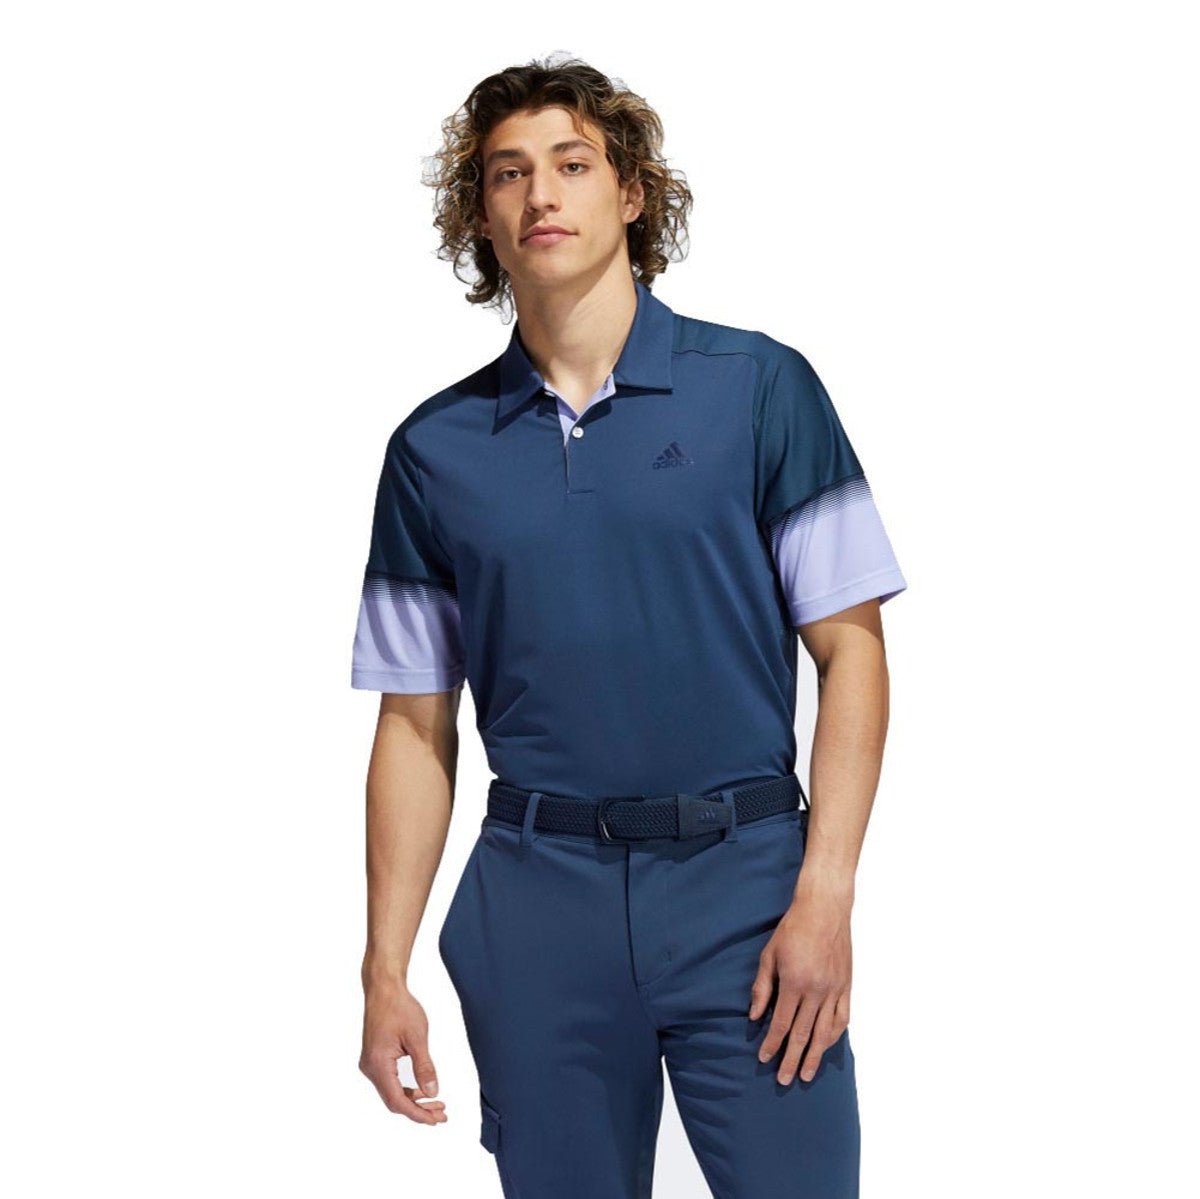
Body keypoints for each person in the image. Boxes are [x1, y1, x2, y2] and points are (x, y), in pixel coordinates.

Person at [350, 54, 907, 1199]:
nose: (539, 195)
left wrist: (826, 892)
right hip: (535, 901)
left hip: (746, 887)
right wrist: (384, 966)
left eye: (571, 164)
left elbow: (851, 650)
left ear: (634, 193)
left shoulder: (760, 389)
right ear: (481, 216)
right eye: (508, 174)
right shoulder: (432, 450)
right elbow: (414, 723)